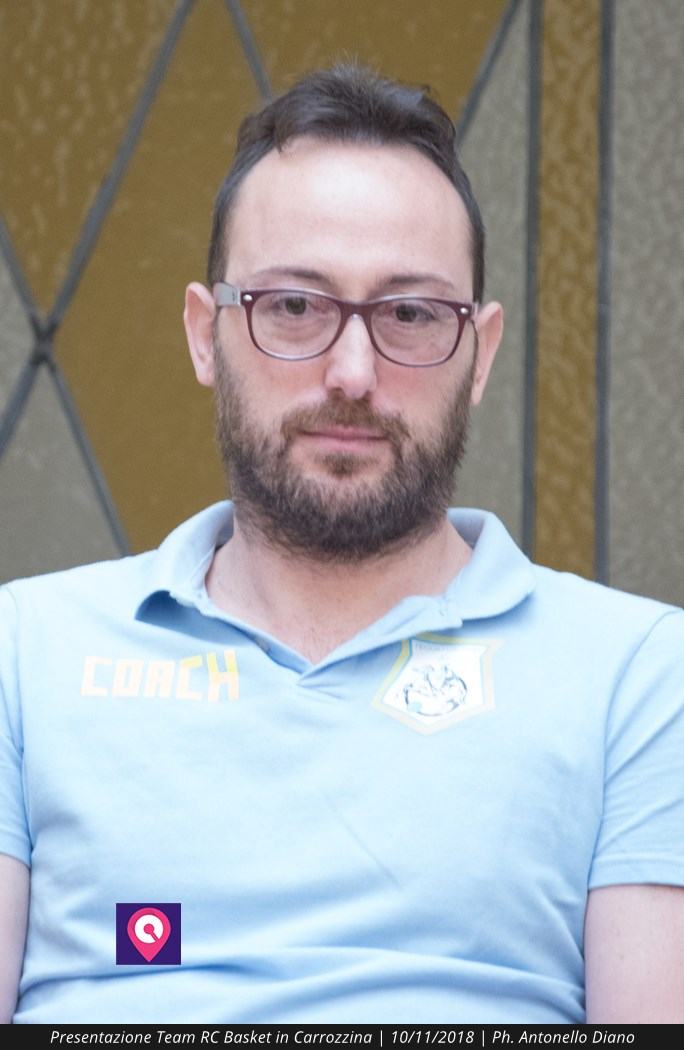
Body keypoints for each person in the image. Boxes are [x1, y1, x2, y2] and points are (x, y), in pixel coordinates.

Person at [1, 64, 683, 1026]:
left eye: (410, 314)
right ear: (204, 335)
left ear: (481, 354)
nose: (352, 373)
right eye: (293, 306)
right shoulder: (21, 653)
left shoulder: (644, 677)